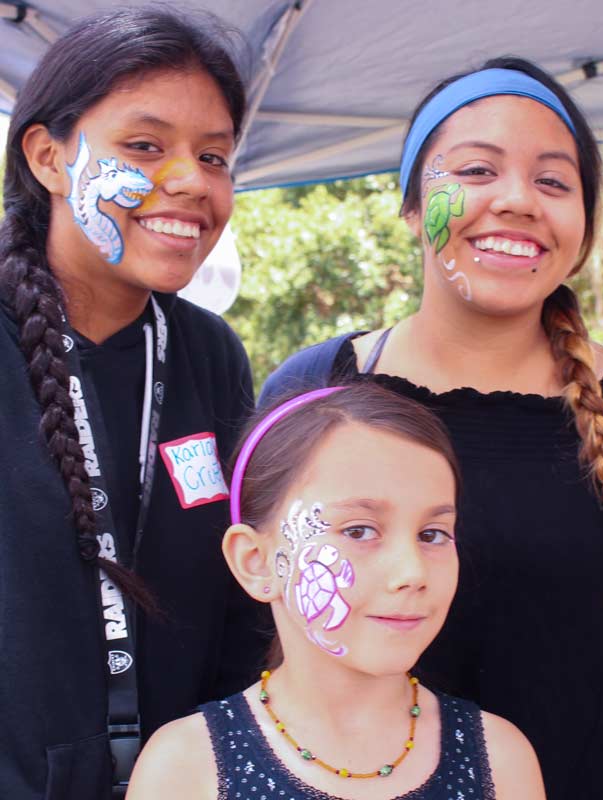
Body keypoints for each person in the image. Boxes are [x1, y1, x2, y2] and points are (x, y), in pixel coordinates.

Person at [259, 57, 603, 800]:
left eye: (553, 181)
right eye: (476, 171)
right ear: (412, 207)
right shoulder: (312, 391)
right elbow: (255, 639)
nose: (517, 200)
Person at [0, 7, 267, 799]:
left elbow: (237, 601)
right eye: (146, 146)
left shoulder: (210, 354)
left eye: (213, 156)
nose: (189, 181)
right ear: (48, 156)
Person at [126, 382, 546, 800]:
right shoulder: (186, 770)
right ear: (256, 561)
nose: (412, 571)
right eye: (359, 530)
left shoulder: (500, 761)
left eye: (432, 534)